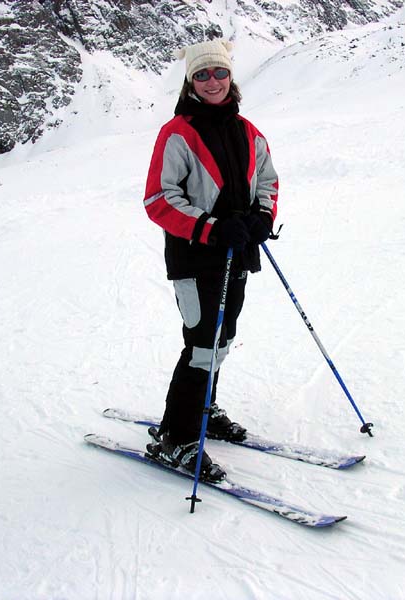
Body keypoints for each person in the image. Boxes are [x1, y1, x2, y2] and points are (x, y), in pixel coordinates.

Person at [142, 39, 279, 482]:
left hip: (237, 255)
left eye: (219, 72)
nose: (212, 81)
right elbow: (158, 199)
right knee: (202, 345)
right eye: (202, 74)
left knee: (222, 339)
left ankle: (204, 407)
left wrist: (261, 217)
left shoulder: (248, 131)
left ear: (230, 76)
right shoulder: (177, 133)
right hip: (194, 258)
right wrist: (212, 228)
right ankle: (176, 437)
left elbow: (267, 182)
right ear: (190, 82)